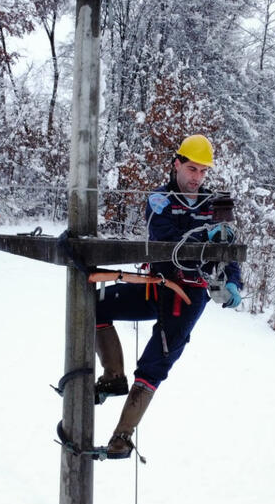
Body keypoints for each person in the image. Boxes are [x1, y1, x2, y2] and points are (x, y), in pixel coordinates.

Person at [95, 134, 243, 457]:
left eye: (203, 172)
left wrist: (233, 281)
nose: (197, 178)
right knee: (95, 305)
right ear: (176, 164)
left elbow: (228, 250)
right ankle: (113, 376)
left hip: (188, 297)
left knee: (154, 363)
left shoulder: (213, 207)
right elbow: (167, 240)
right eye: (192, 169)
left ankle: (122, 435)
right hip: (156, 284)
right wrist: (207, 236)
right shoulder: (160, 200)